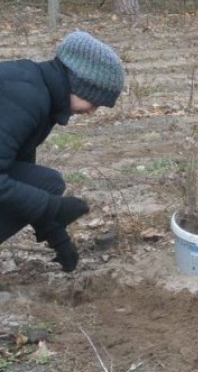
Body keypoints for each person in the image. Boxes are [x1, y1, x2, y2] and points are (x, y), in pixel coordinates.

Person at [1, 31, 125, 272]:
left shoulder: (39, 93)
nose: (92, 112)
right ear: (80, 85)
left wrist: (57, 237)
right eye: (95, 102)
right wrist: (52, 208)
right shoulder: (24, 97)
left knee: (46, 183)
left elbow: (23, 175)